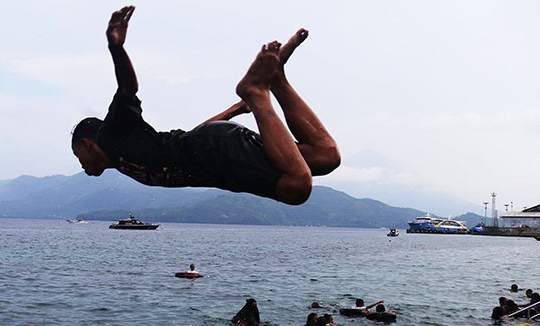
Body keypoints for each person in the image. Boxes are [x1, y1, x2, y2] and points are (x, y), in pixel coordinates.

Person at [71, 5, 340, 206]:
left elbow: (128, 88)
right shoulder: (124, 159)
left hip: (219, 154)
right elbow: (193, 136)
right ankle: (277, 78)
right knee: (325, 156)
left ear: (86, 144)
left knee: (297, 186)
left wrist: (116, 48)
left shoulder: (110, 134)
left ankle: (258, 92)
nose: (82, 166)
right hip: (214, 148)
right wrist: (235, 110)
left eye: (78, 156)